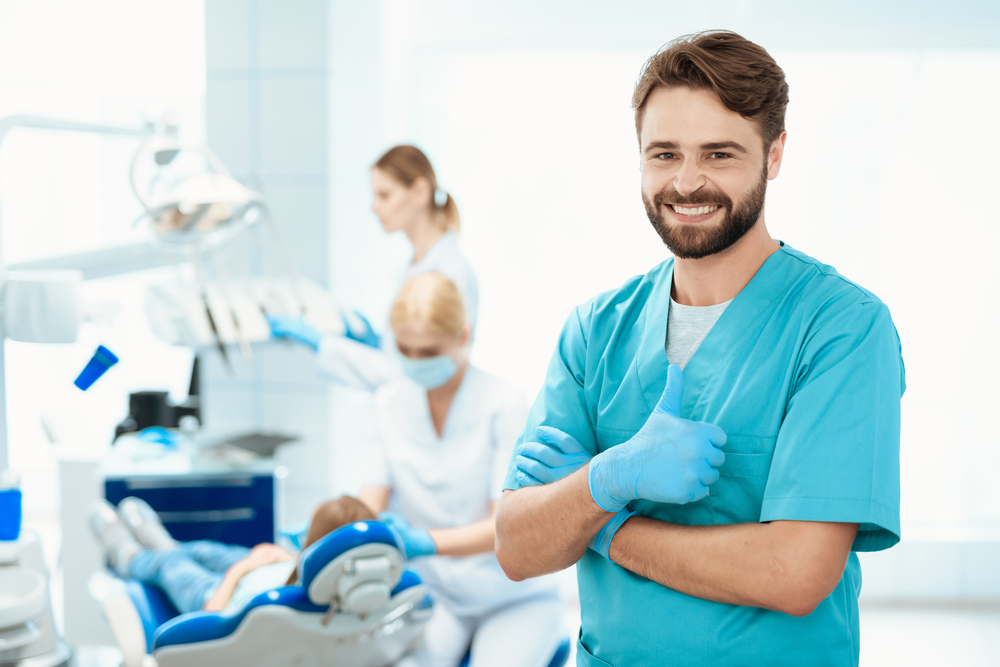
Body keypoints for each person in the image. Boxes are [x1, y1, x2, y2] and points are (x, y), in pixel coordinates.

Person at [494, 31, 904, 667]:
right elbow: (519, 548)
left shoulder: (841, 328)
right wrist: (610, 475)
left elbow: (796, 572)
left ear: (774, 155)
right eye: (664, 154)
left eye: (718, 154)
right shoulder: (595, 331)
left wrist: (600, 514)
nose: (687, 183)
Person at [358, 272, 562, 667]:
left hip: (512, 595)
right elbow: (370, 502)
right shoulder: (387, 404)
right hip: (437, 594)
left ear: (462, 336)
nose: (415, 361)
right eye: (404, 349)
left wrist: (424, 542)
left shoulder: (503, 402)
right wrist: (334, 530)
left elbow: (506, 526)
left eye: (428, 351)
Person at [268, 145, 479, 392]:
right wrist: (380, 343)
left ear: (420, 192)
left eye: (385, 195)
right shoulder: (413, 266)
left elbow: (415, 374)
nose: (374, 207)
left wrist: (324, 345)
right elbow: (407, 358)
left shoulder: (451, 272)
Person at [88, 494, 375, 614]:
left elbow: (214, 614)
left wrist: (239, 571)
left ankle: (128, 554)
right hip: (275, 568)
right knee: (203, 550)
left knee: (170, 563)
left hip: (222, 589)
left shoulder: (281, 601)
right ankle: (163, 542)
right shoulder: (354, 581)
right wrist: (288, 559)